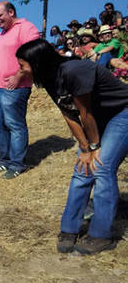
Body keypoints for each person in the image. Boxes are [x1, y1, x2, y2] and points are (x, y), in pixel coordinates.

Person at [16, 39, 128, 255]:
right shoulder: (49, 79)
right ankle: (69, 229)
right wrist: (85, 149)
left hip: (121, 114)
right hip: (98, 120)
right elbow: (69, 115)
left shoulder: (73, 71)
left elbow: (85, 113)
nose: (20, 69)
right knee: (82, 169)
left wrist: (93, 147)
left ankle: (101, 235)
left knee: (102, 168)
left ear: (37, 62)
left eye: (23, 64)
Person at [0, 1, 40, 179]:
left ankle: (17, 164)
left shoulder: (26, 28)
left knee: (14, 124)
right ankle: (5, 161)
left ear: (11, 12)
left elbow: (34, 55)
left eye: (0, 15)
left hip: (14, 87)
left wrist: (18, 75)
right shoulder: (1, 34)